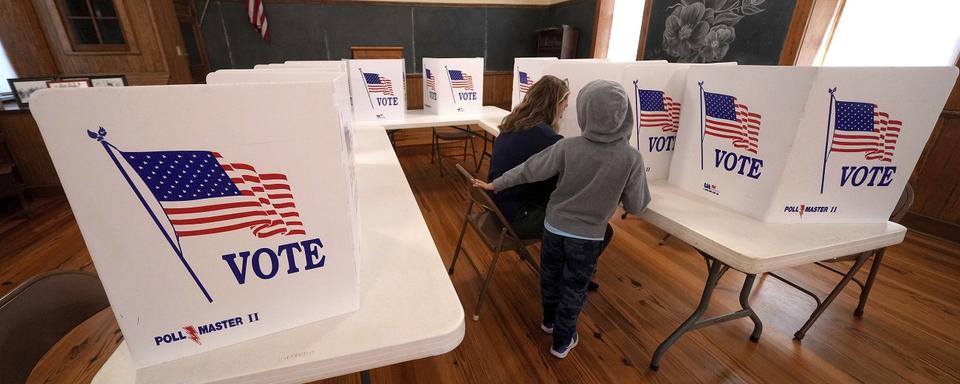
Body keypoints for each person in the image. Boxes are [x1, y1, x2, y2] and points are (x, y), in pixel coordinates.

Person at [474, 80, 651, 359]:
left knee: (550, 277)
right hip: (588, 237)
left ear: (584, 111)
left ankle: (548, 321)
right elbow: (636, 205)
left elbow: (528, 170)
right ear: (626, 115)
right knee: (574, 288)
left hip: (553, 227)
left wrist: (495, 185)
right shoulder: (632, 158)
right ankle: (562, 342)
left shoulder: (567, 147)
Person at [488, 75, 568, 240]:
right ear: (554, 105)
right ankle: (562, 265)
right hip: (518, 217)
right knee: (599, 228)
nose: (563, 113)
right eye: (563, 107)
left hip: (496, 205)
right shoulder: (549, 139)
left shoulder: (511, 123)